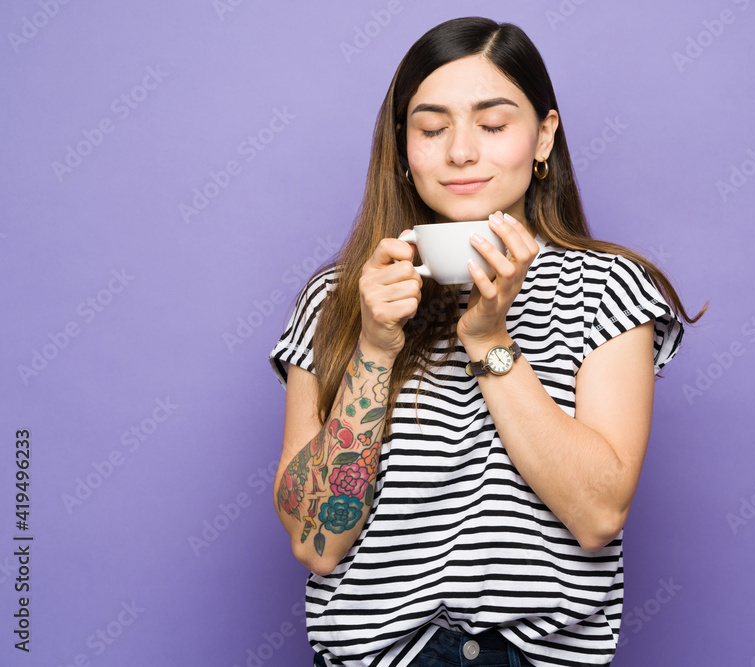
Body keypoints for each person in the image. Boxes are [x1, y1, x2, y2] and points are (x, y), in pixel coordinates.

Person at [268, 16, 706, 667]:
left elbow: (596, 515)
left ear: (544, 136)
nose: (460, 152)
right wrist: (374, 348)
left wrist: (488, 338)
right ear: (402, 147)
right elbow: (315, 541)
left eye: (493, 124)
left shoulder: (609, 288)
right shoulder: (338, 299)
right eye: (431, 129)